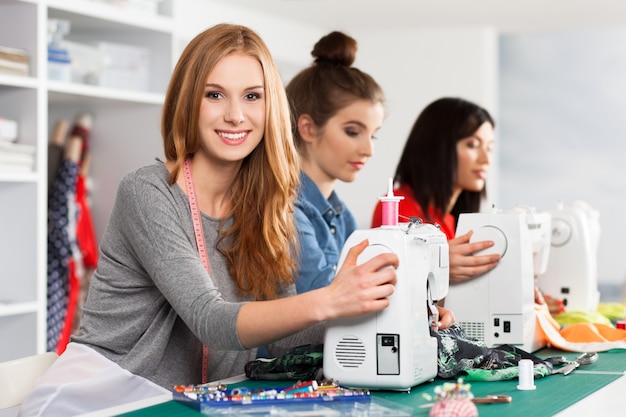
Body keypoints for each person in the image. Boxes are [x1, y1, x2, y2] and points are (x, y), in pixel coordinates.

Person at [19, 24, 400, 416]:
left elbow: (287, 340)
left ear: (271, 109)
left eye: (252, 96)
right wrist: (330, 300)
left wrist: (382, 308)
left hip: (188, 402)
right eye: (215, 95)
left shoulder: (271, 206)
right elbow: (211, 319)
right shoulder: (149, 192)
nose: (235, 116)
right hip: (106, 399)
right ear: (188, 101)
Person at [285, 31, 454, 328]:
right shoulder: (287, 211)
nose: (369, 149)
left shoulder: (342, 217)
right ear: (308, 128)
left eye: (373, 135)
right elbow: (328, 300)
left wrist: (423, 309)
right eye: (353, 131)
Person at [370, 97, 500, 284]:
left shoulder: (451, 220)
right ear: (438, 147)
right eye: (472, 145)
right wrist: (435, 265)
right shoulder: (398, 211)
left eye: (490, 148)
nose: (486, 159)